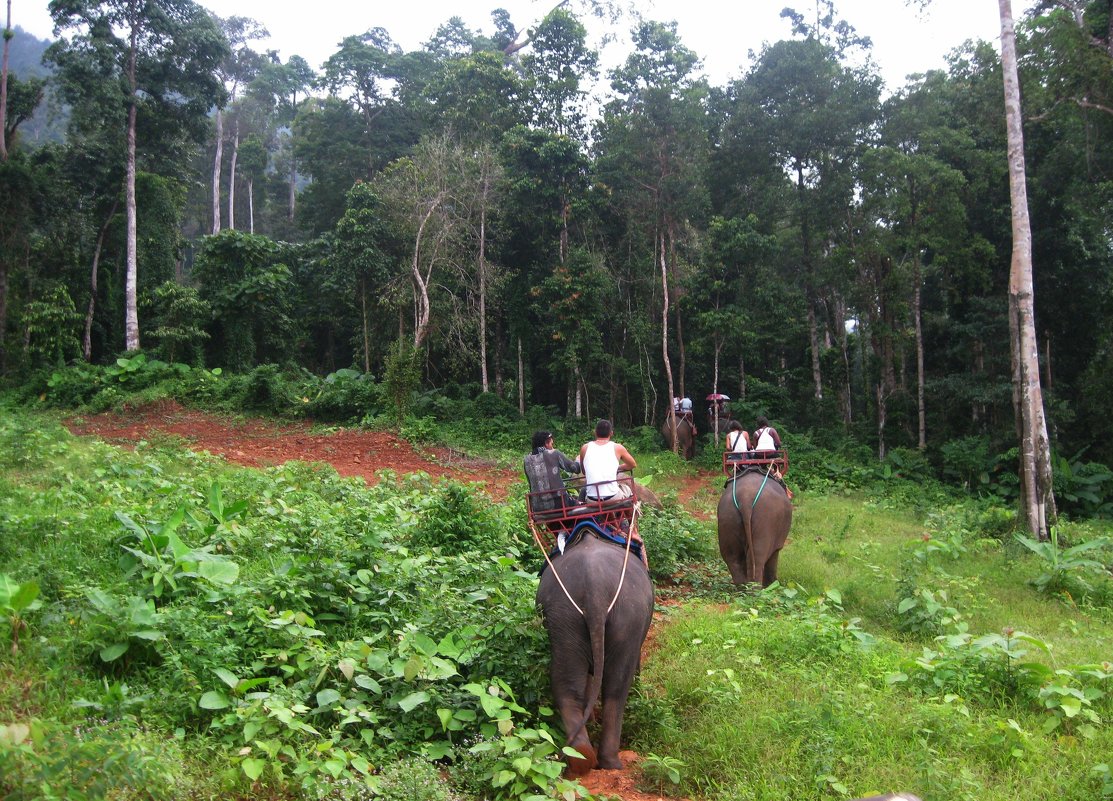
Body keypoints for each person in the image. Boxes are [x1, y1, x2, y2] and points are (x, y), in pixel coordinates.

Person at [578, 419, 637, 501]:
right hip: (612, 498)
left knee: (584, 490)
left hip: (592, 500)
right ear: (611, 433)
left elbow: (584, 471)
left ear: (595, 432)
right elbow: (632, 464)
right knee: (627, 489)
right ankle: (631, 512)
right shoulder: (617, 447)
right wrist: (618, 467)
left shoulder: (585, 448)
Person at [524, 431, 581, 513]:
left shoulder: (527, 460)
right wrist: (579, 460)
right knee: (580, 503)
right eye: (551, 444)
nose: (552, 447)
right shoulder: (554, 453)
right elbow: (574, 468)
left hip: (537, 507)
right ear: (546, 444)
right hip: (558, 503)